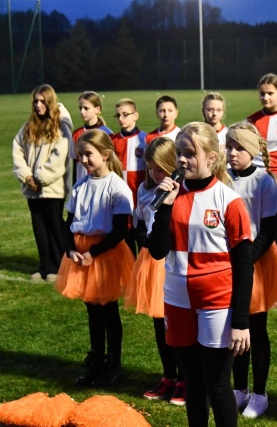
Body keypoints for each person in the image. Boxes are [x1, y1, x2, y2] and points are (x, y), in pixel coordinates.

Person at [149, 122, 253, 427]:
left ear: (211, 157)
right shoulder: (170, 196)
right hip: (177, 300)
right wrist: (165, 208)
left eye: (190, 153)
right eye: (179, 153)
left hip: (217, 303)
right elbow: (157, 250)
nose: (182, 160)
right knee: (193, 384)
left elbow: (244, 265)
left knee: (217, 385)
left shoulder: (229, 201)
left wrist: (241, 321)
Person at [54, 129, 135, 387]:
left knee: (109, 310)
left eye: (88, 154)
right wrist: (70, 250)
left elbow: (121, 230)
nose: (84, 160)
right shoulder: (80, 185)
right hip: (82, 253)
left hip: (105, 253)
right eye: (81, 155)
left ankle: (113, 363)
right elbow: (68, 224)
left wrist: (94, 253)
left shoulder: (117, 186)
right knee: (92, 309)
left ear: (106, 154)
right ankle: (96, 359)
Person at [226, 123, 277, 419]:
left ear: (252, 151)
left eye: (239, 148)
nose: (232, 153)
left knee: (256, 328)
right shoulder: (224, 178)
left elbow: (268, 229)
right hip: (228, 262)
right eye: (229, 147)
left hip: (255, 262)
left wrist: (245, 261)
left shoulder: (264, 181)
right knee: (235, 327)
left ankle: (260, 393)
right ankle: (239, 388)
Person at [123, 137, 186, 405]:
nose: (154, 173)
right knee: (160, 324)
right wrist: (142, 238)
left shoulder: (181, 190)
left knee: (178, 322)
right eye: (150, 168)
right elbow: (140, 221)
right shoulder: (145, 189)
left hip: (173, 262)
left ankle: (185, 378)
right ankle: (168, 375)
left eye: (160, 168)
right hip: (150, 262)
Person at [12, 83, 72, 282]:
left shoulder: (61, 125)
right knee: (39, 228)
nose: (38, 105)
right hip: (32, 188)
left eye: (42, 101)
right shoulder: (30, 125)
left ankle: (59, 267)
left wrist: (39, 178)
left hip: (52, 188)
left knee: (54, 227)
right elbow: (17, 148)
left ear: (50, 102)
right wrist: (27, 176)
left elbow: (60, 156)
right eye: (36, 102)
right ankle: (45, 267)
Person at [111, 98, 147, 254]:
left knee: (143, 239)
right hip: (120, 198)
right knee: (126, 242)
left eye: (125, 114)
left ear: (135, 116)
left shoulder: (145, 139)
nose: (121, 118)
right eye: (118, 115)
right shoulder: (113, 140)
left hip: (140, 197)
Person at [70, 91, 114, 183]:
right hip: (82, 183)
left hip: (101, 182)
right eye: (80, 108)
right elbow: (75, 163)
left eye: (86, 108)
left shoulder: (106, 133)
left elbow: (111, 162)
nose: (82, 112)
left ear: (97, 109)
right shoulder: (76, 134)